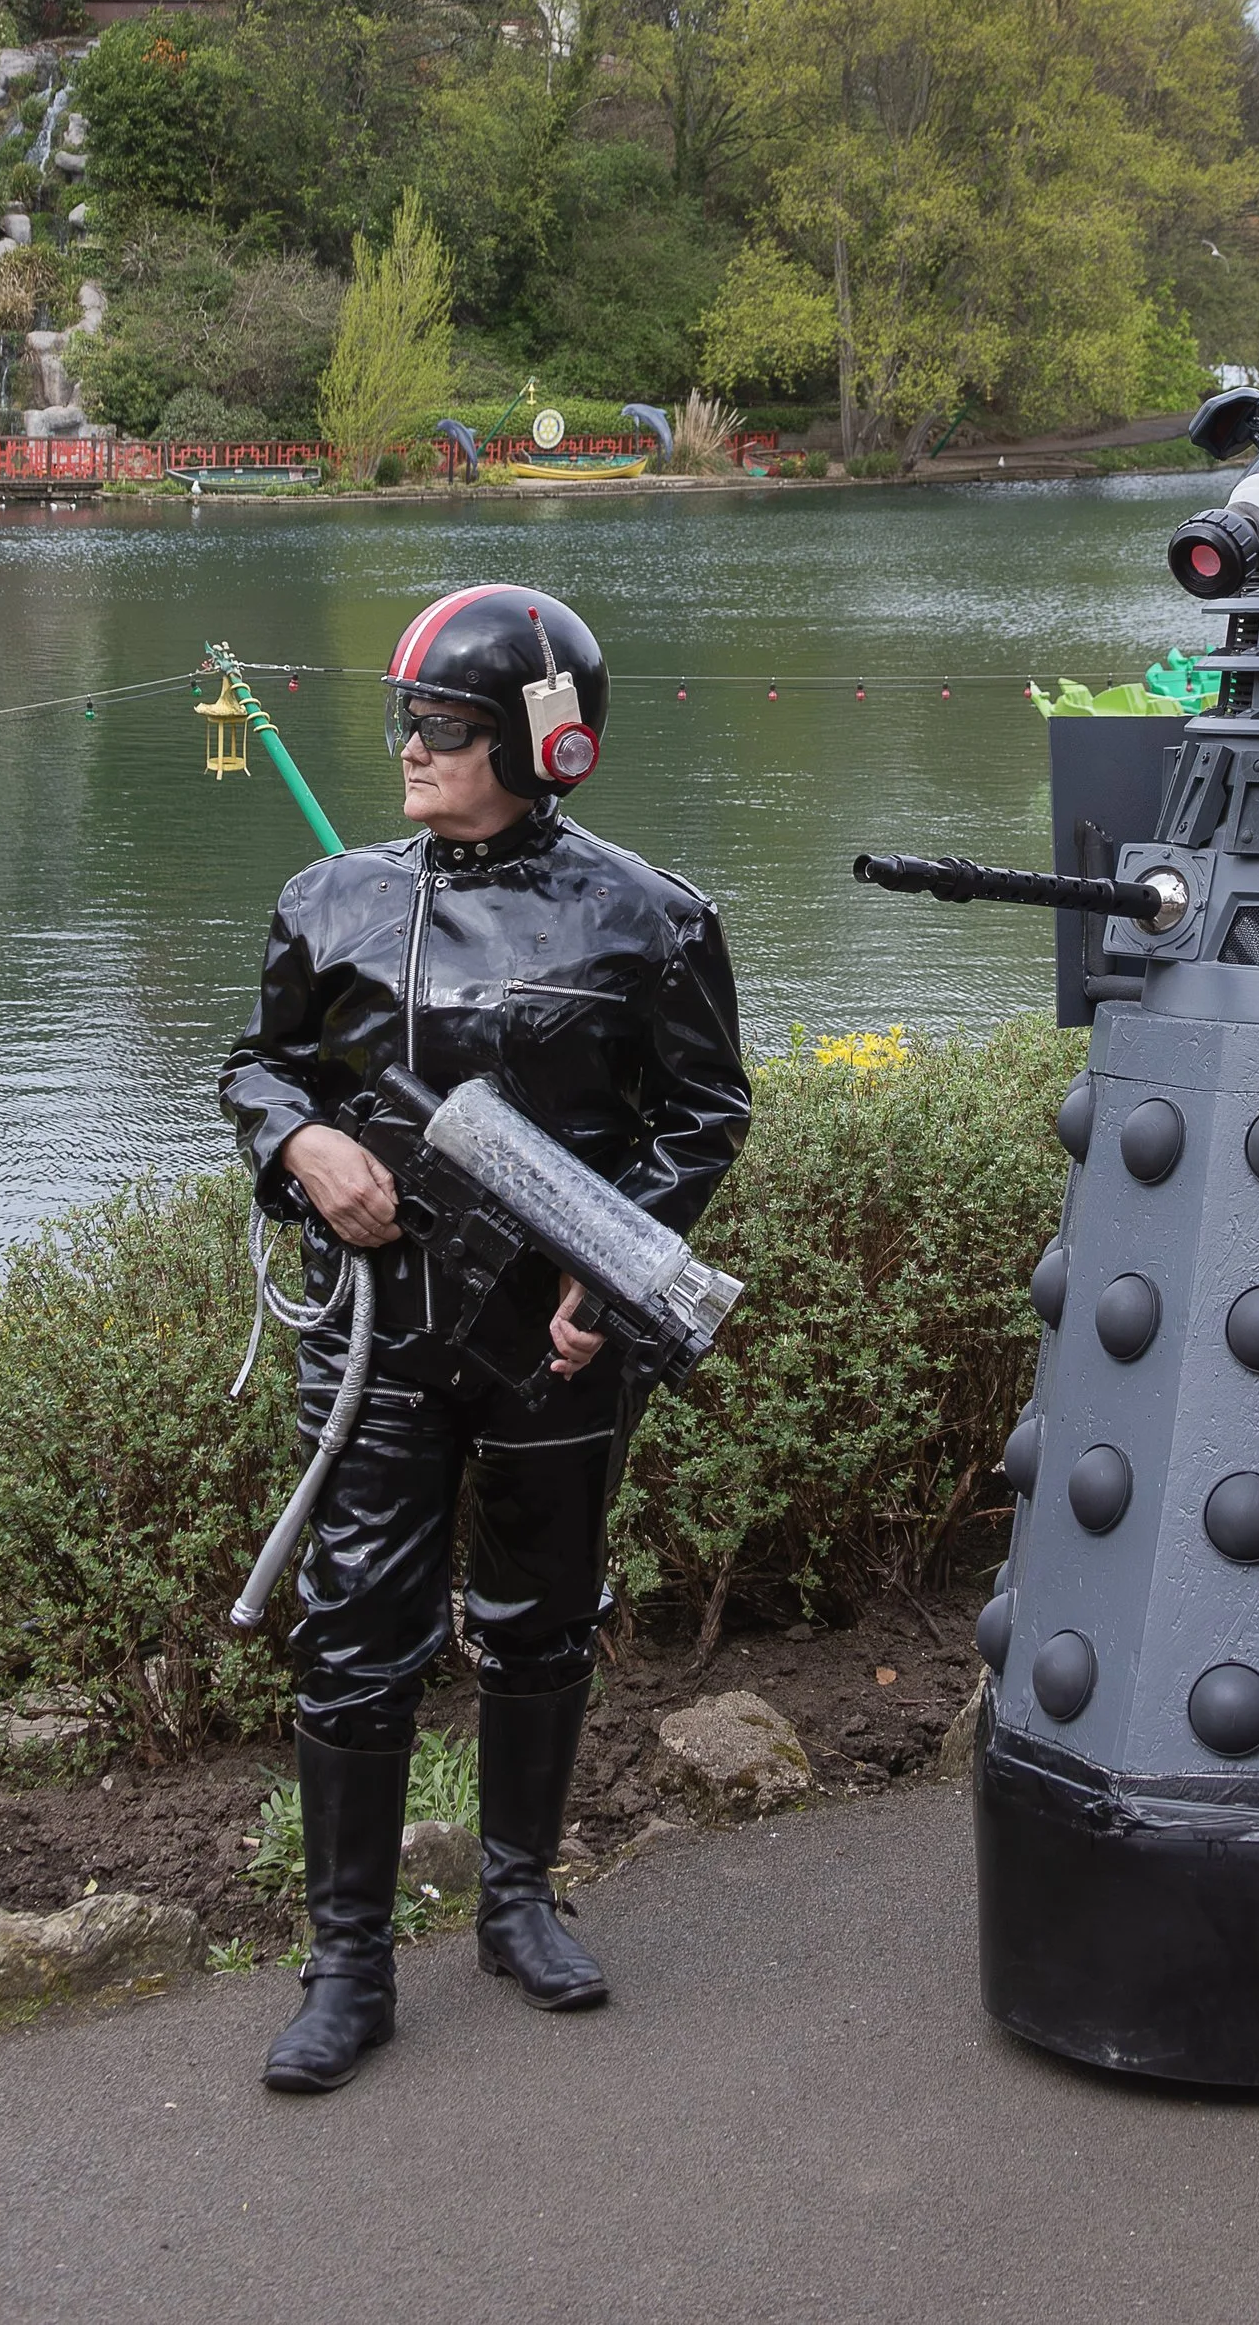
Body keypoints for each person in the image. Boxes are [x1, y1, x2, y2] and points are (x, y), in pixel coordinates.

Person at [221, 583, 749, 2094]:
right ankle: (347, 1964)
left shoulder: (651, 917)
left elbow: (704, 1110)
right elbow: (257, 1067)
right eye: (407, 719)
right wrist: (301, 1144)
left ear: (539, 742)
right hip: (373, 1338)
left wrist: (617, 1271)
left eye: (445, 725)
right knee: (354, 1632)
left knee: (543, 1616)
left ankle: (518, 1902)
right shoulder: (329, 900)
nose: (413, 746)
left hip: (558, 1341)